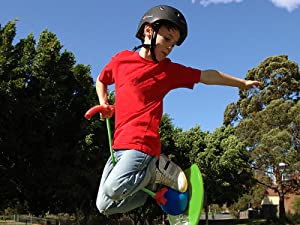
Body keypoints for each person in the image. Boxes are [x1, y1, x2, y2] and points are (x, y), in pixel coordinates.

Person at [95, 5, 260, 216]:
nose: (169, 48)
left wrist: (241, 83)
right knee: (104, 206)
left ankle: (155, 170)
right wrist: (104, 102)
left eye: (174, 45)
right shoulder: (121, 60)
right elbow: (102, 79)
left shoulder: (168, 71)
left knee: (113, 188)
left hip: (142, 144)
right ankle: (154, 190)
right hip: (119, 145)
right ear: (148, 31)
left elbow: (207, 76)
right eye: (167, 39)